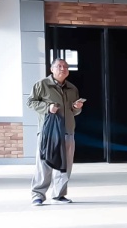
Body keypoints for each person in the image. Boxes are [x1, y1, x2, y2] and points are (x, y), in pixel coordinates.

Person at [28, 57, 86, 205]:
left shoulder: (72, 88)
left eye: (65, 67)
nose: (63, 69)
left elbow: (73, 112)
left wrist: (77, 108)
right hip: (49, 132)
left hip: (67, 131)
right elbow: (31, 102)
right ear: (51, 69)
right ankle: (38, 195)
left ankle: (58, 195)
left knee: (65, 165)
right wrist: (47, 108)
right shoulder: (42, 85)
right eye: (59, 66)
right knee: (44, 163)